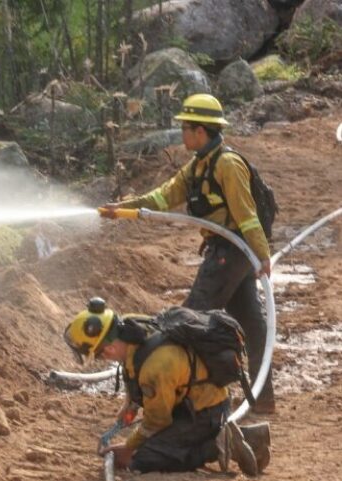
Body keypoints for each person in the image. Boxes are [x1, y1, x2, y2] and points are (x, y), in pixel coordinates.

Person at [99, 93, 276, 414]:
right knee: (251, 322)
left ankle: (192, 399)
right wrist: (122, 209)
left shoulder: (228, 164)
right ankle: (263, 401)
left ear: (201, 131)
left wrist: (261, 256)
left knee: (190, 320)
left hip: (231, 251)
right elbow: (163, 198)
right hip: (228, 251)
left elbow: (246, 215)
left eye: (185, 128)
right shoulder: (197, 167)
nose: (181, 134)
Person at [63, 297, 271, 476]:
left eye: (98, 354)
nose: (103, 359)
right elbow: (132, 367)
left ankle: (216, 446)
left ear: (108, 349)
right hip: (190, 402)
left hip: (205, 412)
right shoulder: (129, 326)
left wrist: (128, 449)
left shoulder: (156, 368)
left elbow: (157, 421)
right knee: (146, 443)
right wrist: (130, 406)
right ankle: (250, 437)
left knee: (144, 458)